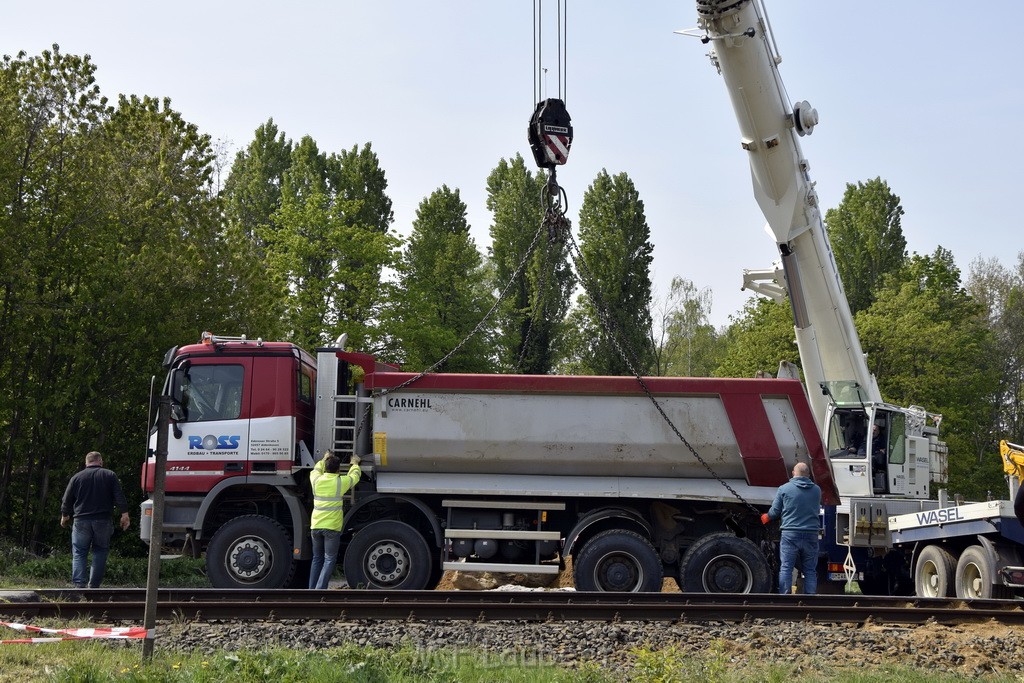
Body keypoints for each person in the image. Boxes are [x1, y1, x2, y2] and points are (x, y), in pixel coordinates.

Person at [60, 451, 130, 588]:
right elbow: (119, 496)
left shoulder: (76, 477)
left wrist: (65, 515)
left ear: (86, 462)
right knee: (100, 550)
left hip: (81, 520)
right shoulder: (110, 475)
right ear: (100, 461)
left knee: (79, 552)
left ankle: (79, 585)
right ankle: (94, 586)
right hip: (103, 520)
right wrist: (124, 514)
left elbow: (67, 499)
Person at [761, 461, 822, 594]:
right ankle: (810, 598)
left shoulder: (784, 488)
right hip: (811, 533)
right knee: (810, 570)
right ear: (808, 475)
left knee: (786, 568)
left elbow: (775, 511)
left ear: (794, 473)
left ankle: (785, 598)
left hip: (790, 534)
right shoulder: (817, 490)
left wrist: (767, 516)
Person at [309, 451, 362, 589]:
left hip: (315, 526)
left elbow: (316, 469)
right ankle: (319, 590)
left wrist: (323, 459)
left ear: (325, 467)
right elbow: (354, 477)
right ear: (338, 469)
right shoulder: (340, 482)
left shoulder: (315, 480)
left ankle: (311, 590)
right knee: (329, 559)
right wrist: (355, 464)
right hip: (332, 528)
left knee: (317, 559)